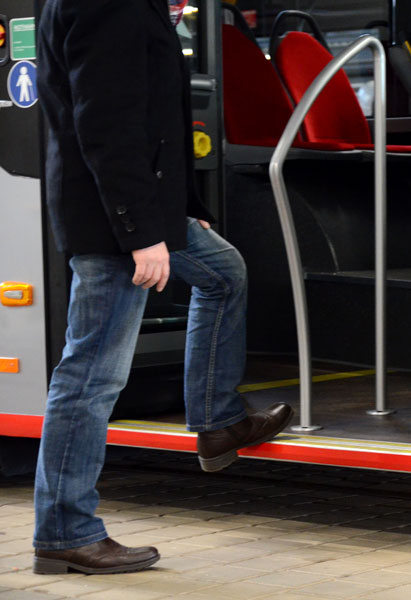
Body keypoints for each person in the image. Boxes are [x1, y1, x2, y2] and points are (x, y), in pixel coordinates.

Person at [32, 0, 293, 575]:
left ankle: (217, 420)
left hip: (146, 210)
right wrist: (140, 233)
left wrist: (185, 210)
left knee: (224, 274)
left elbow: (160, 119)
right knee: (91, 376)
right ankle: (63, 531)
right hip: (112, 221)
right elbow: (106, 123)